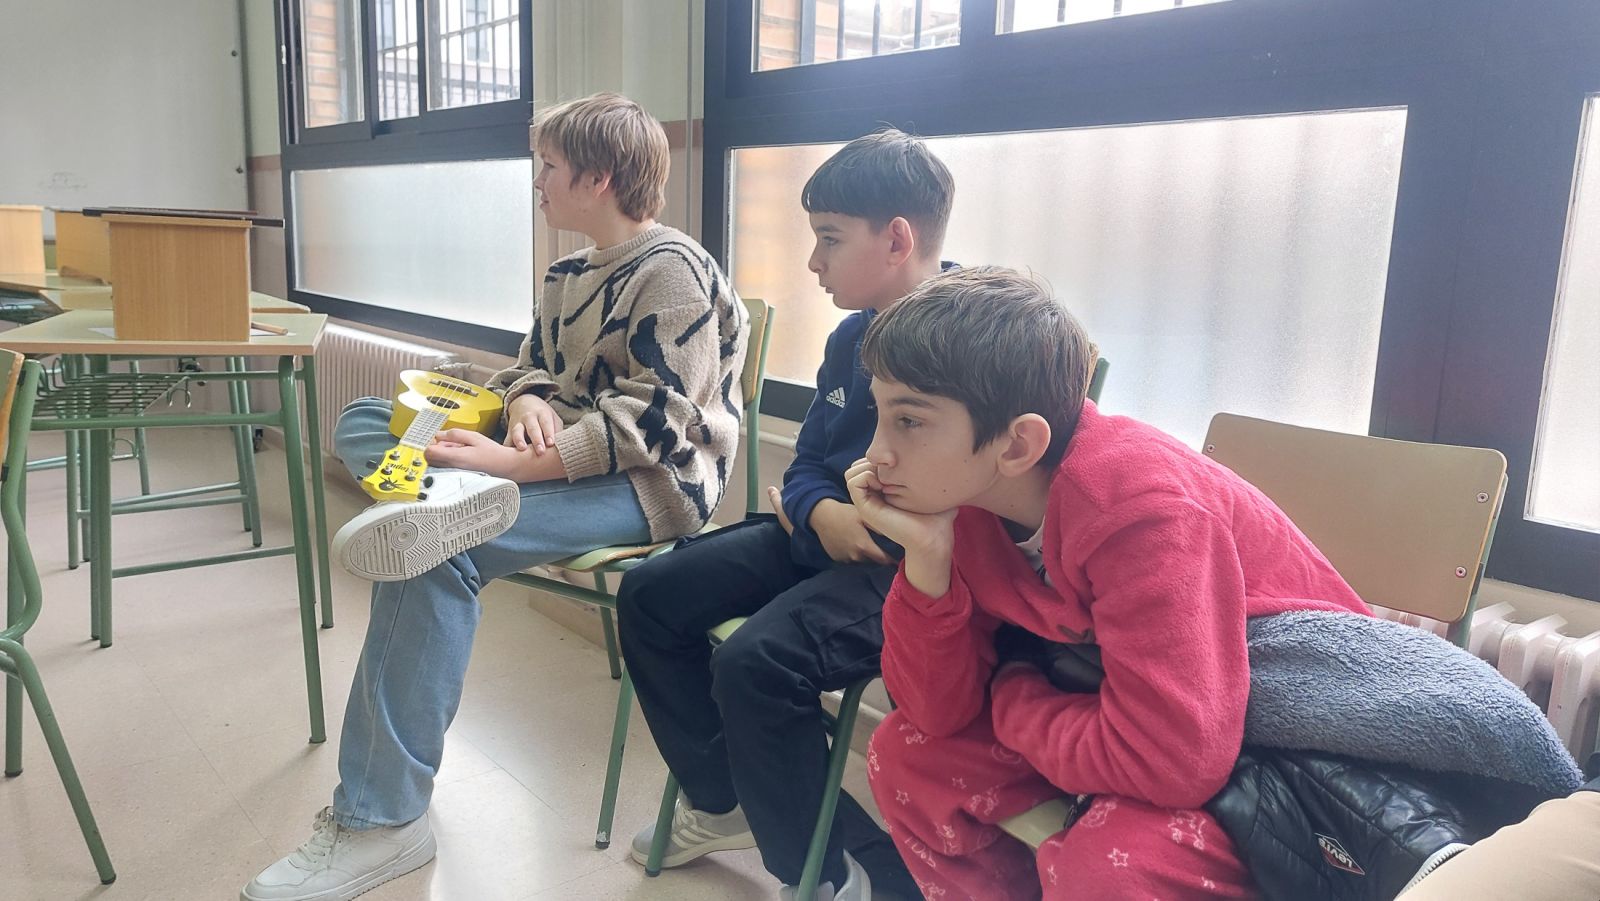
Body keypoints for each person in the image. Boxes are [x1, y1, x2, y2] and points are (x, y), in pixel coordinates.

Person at [241, 92, 748, 901]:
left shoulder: (674, 272)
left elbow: (660, 423)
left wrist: (512, 466)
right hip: (545, 458)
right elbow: (526, 365)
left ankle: (381, 820)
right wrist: (528, 401)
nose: (537, 181)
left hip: (648, 484)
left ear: (597, 177)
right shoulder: (565, 274)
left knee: (434, 553)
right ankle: (441, 501)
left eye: (548, 166)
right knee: (366, 419)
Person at [849, 266, 1372, 900]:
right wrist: (926, 560)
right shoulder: (970, 504)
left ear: (1017, 445)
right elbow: (934, 713)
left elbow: (1171, 761)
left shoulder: (1138, 508)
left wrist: (1013, 699)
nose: (876, 453)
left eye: (909, 421)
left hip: (1289, 751)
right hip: (1138, 709)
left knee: (1107, 866)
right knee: (906, 757)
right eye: (880, 414)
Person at [614, 128, 955, 901]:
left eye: (830, 238)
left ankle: (834, 874)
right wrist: (823, 510)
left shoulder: (975, 337)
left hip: (906, 573)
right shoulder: (851, 336)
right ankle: (724, 800)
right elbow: (804, 466)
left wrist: (851, 521)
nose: (813, 262)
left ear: (897, 239)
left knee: (754, 664)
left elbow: (979, 503)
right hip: (817, 537)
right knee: (650, 593)